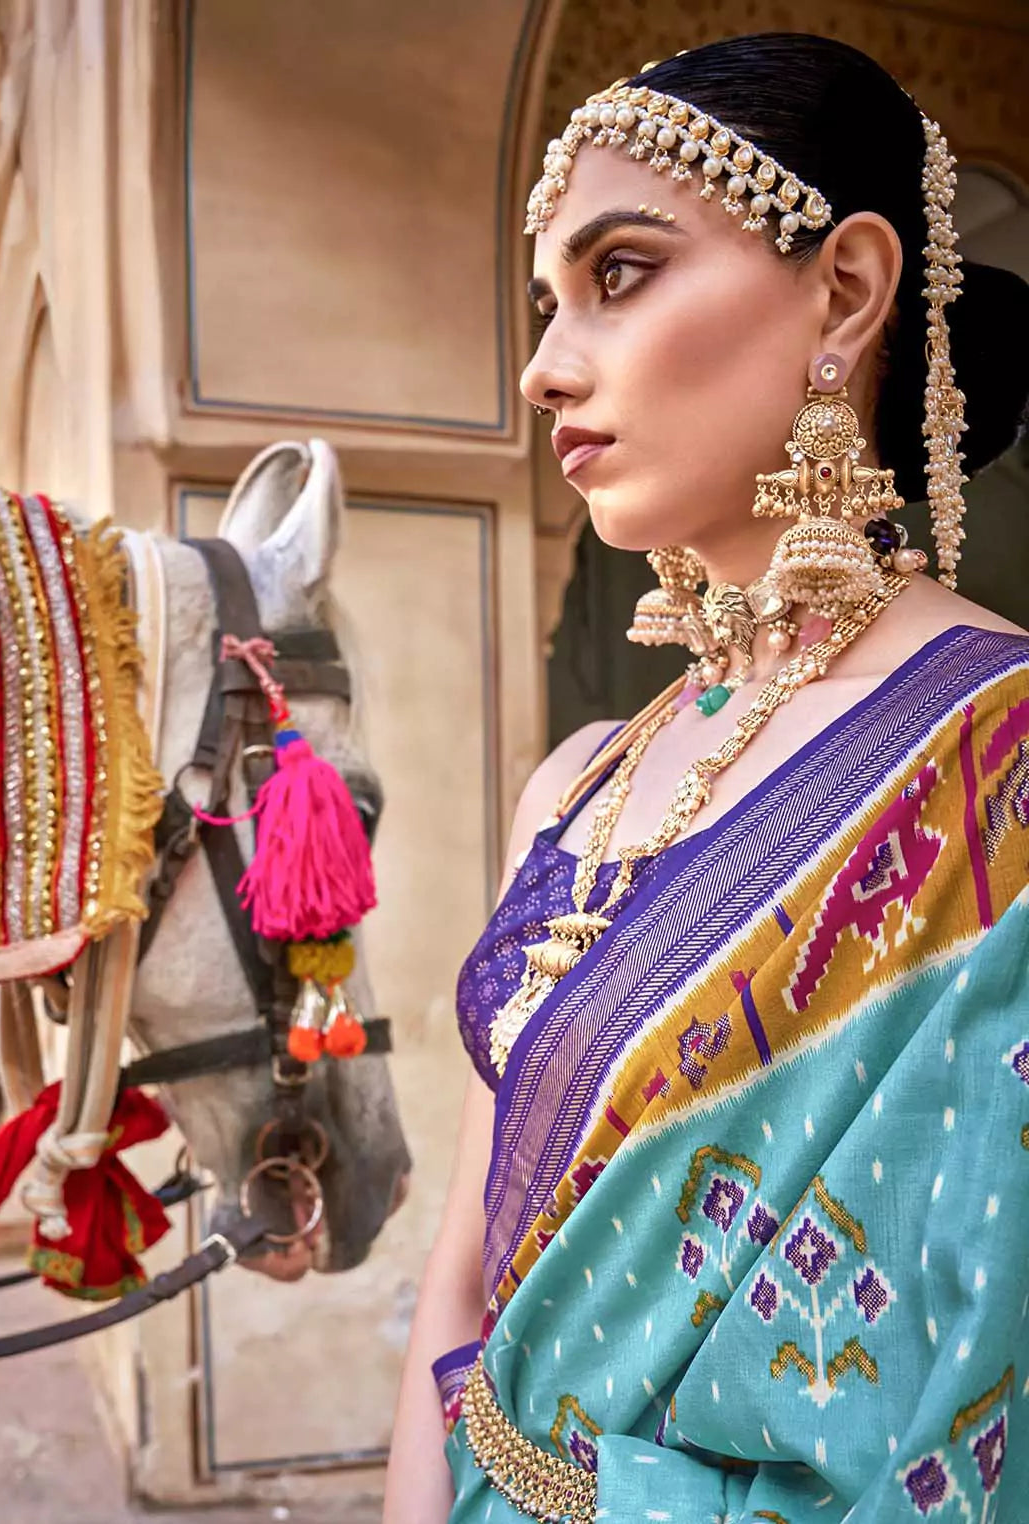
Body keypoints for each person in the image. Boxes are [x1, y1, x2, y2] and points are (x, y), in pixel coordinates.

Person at [384, 32, 1029, 1524]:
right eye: (548, 305)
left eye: (620, 275)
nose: (546, 366)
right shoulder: (577, 783)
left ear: (846, 293)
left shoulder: (998, 764)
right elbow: (459, 1297)